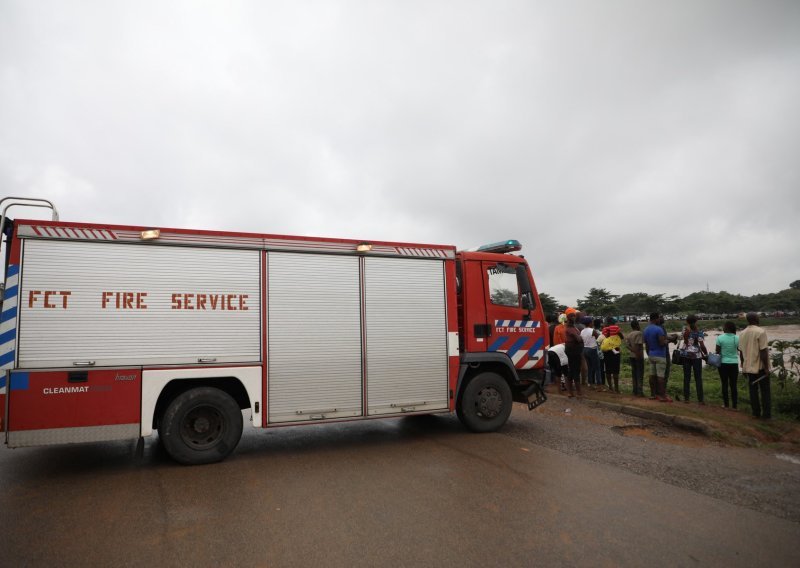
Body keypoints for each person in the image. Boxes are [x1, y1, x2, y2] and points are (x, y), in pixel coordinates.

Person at [739, 312, 771, 419]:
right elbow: (763, 351)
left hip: (748, 367)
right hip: (760, 367)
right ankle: (766, 415)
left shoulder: (742, 333)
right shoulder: (761, 332)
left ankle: (755, 413)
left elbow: (741, 351)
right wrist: (766, 368)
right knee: (765, 391)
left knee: (753, 390)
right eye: (758, 317)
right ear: (756, 319)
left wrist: (743, 365)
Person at [643, 312, 673, 402]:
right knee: (661, 377)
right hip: (660, 355)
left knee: (652, 375)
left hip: (651, 355)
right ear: (656, 319)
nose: (660, 319)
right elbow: (661, 343)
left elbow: (647, 344)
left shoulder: (646, 330)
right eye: (659, 318)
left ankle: (653, 394)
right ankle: (662, 396)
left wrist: (649, 354)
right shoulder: (659, 329)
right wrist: (668, 341)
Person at [682, 314, 708, 404]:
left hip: (686, 355)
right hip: (696, 357)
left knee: (686, 377)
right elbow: (702, 346)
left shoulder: (685, 331)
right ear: (696, 321)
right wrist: (706, 354)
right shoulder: (699, 332)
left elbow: (685, 342)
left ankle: (686, 399)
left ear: (687, 321)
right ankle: (700, 400)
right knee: (698, 378)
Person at [716, 321, 740, 409]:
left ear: (726, 328)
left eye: (724, 326)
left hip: (723, 363)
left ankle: (726, 405)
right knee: (733, 385)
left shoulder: (720, 338)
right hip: (734, 363)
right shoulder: (737, 338)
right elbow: (740, 350)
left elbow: (717, 352)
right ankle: (735, 406)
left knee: (724, 384)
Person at [563, 308, 584, 398]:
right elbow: (579, 339)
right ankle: (578, 393)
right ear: (568, 317)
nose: (573, 317)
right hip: (573, 351)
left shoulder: (573, 327)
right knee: (575, 371)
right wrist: (580, 338)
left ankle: (571, 392)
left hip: (575, 351)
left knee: (572, 370)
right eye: (571, 316)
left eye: (574, 316)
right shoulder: (569, 328)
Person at [601, 316, 624, 393]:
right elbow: (622, 337)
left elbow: (603, 338)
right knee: (615, 370)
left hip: (607, 350)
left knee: (608, 370)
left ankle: (610, 387)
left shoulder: (604, 329)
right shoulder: (616, 328)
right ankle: (617, 389)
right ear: (613, 322)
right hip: (615, 350)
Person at [625, 319, 645, 396]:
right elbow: (638, 345)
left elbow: (627, 345)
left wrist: (632, 351)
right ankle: (640, 392)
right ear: (637, 325)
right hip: (638, 356)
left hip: (631, 356)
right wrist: (636, 353)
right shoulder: (639, 333)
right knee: (640, 374)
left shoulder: (629, 334)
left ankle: (634, 391)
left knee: (634, 373)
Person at [580, 317, 601, 389]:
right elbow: (599, 338)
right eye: (592, 322)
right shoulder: (592, 330)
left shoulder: (582, 331)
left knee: (590, 367)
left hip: (585, 349)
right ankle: (599, 385)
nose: (593, 323)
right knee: (597, 368)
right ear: (589, 323)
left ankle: (590, 383)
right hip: (592, 349)